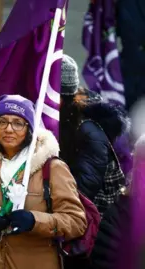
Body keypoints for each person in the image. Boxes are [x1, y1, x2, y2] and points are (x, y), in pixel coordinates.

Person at [0, 94, 87, 269]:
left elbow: (76, 222)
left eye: (18, 123)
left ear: (30, 129)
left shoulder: (51, 167)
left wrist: (35, 221)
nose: (9, 129)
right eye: (2, 121)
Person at [59, 54, 128, 215]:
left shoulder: (88, 131)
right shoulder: (66, 121)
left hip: (97, 225)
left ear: (60, 98)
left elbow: (83, 192)